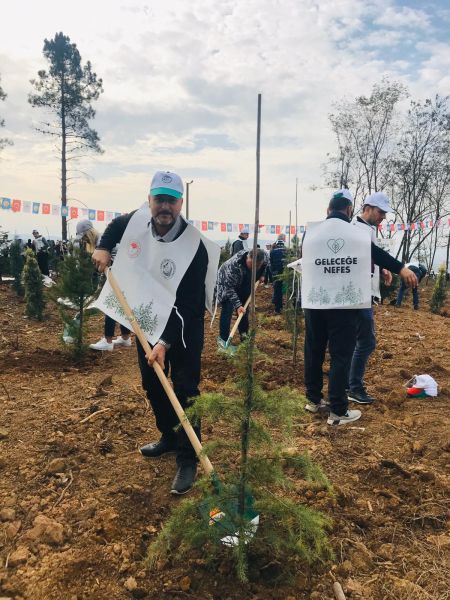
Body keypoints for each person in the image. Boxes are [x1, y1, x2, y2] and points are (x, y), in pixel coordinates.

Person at [91, 171, 218, 495]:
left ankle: (189, 457)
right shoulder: (136, 222)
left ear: (180, 203)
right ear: (149, 201)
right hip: (147, 320)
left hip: (183, 327)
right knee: (152, 383)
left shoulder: (195, 248)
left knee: (186, 389)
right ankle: (169, 437)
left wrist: (164, 342)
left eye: (170, 200)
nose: (164, 206)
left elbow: (190, 307)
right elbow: (116, 227)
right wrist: (105, 247)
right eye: (158, 199)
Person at [302, 189, 417, 426]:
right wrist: (401, 268)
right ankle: (338, 411)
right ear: (348, 210)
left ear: (327, 210)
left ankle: (313, 400)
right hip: (344, 304)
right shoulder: (354, 233)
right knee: (340, 356)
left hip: (314, 303)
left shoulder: (310, 234)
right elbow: (377, 254)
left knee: (313, 352)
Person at [347, 192, 394, 405]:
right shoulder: (356, 229)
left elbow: (369, 256)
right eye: (380, 212)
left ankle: (349, 384)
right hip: (359, 293)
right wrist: (396, 267)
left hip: (366, 292)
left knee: (359, 341)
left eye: (384, 213)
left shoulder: (369, 229)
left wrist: (381, 269)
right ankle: (353, 387)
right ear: (367, 208)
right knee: (366, 341)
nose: (383, 216)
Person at [215, 248, 267, 348]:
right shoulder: (233, 266)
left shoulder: (264, 257)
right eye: (251, 265)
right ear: (248, 257)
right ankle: (223, 340)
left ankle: (244, 338)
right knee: (228, 310)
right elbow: (229, 288)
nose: (254, 268)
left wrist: (262, 275)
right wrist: (238, 305)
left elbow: (265, 266)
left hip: (244, 282)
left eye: (257, 267)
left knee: (244, 311)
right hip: (227, 284)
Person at [270, 234, 287, 313]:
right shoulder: (287, 250)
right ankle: (289, 307)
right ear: (283, 240)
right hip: (286, 272)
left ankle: (277, 308)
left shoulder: (273, 251)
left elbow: (271, 264)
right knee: (288, 290)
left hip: (276, 273)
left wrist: (272, 273)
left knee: (277, 290)